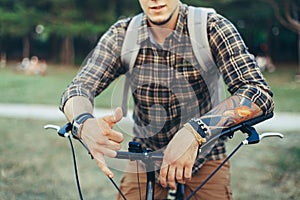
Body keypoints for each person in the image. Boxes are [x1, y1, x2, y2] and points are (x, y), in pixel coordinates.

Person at [60, 1, 274, 199]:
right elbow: (79, 87)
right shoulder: (123, 34)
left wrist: (196, 131)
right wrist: (83, 123)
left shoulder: (211, 26)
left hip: (206, 157)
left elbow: (256, 92)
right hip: (146, 156)